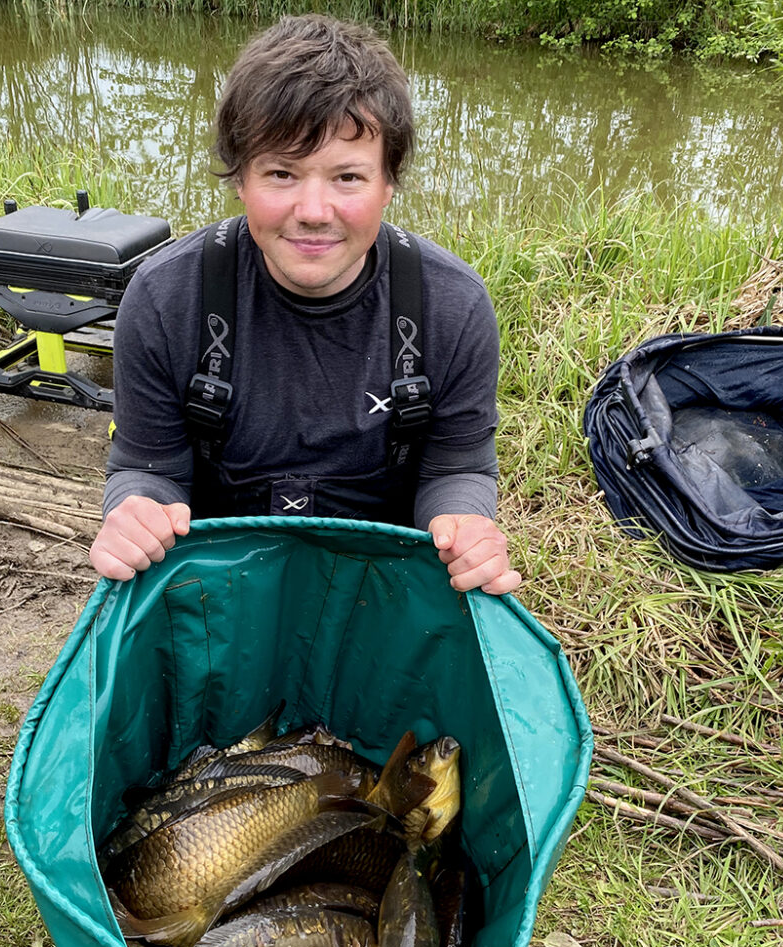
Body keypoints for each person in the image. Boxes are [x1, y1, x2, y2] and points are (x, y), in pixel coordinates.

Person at [89, 13, 520, 601]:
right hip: (216, 580)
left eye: (347, 176)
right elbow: (150, 466)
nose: (314, 210)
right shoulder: (165, 296)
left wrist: (466, 526)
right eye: (281, 173)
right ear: (240, 178)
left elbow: (456, 469)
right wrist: (136, 511)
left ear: (388, 183)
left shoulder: (454, 305)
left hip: (379, 580)